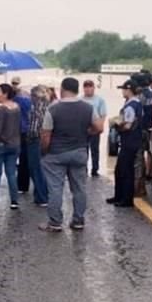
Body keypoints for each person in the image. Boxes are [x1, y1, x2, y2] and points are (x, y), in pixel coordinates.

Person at [40, 77, 105, 232]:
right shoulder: (88, 108)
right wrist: (87, 132)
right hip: (79, 152)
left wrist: (44, 151)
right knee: (79, 188)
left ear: (62, 89)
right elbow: (99, 127)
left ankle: (55, 223)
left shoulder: (53, 109)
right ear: (77, 90)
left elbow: (45, 135)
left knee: (55, 189)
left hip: (56, 154)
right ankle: (78, 221)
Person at [108, 78, 144, 208]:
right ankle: (119, 196)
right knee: (120, 170)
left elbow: (128, 125)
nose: (122, 91)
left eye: (123, 89)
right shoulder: (137, 103)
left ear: (129, 90)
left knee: (125, 171)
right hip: (133, 141)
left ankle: (126, 199)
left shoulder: (131, 106)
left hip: (129, 141)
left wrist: (116, 125)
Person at [0, 84, 22, 210]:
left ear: (5, 94)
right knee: (11, 173)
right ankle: (14, 200)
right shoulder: (17, 107)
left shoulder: (1, 109)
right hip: (14, 144)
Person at [27, 85, 51, 206]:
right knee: (43, 169)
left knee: (36, 169)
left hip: (35, 140)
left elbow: (34, 127)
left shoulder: (35, 107)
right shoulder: (50, 105)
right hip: (46, 140)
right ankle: (41, 195)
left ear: (35, 96)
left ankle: (42, 197)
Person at [82, 80, 108, 177]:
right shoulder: (80, 100)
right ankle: (84, 169)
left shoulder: (100, 100)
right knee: (83, 150)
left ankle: (95, 169)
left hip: (95, 128)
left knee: (95, 150)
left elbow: (103, 115)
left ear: (93, 88)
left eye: (90, 86)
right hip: (83, 129)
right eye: (86, 87)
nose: (88, 89)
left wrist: (100, 127)